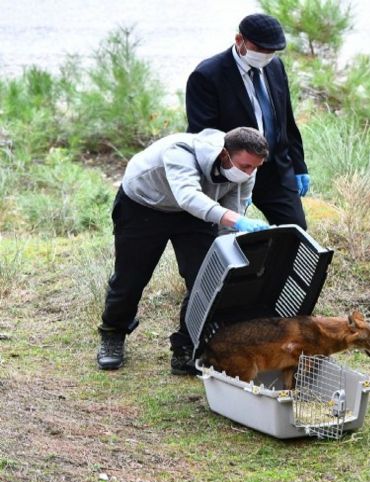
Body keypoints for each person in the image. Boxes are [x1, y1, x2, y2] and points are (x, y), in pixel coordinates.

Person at [96, 127, 270, 375]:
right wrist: (236, 221)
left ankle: (187, 347)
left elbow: (230, 216)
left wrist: (224, 251)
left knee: (206, 279)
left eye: (255, 168)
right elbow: (188, 196)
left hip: (195, 216)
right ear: (224, 155)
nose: (249, 173)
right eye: (245, 167)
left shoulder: (245, 172)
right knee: (131, 277)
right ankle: (113, 333)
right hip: (144, 204)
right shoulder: (180, 151)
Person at [186, 13, 309, 230]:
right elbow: (202, 134)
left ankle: (279, 266)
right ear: (239, 40)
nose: (265, 55)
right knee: (227, 236)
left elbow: (286, 121)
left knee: (295, 232)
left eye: (271, 51)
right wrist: (228, 175)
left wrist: (299, 166)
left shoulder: (275, 67)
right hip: (232, 170)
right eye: (260, 49)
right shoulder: (207, 76)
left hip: (275, 169)